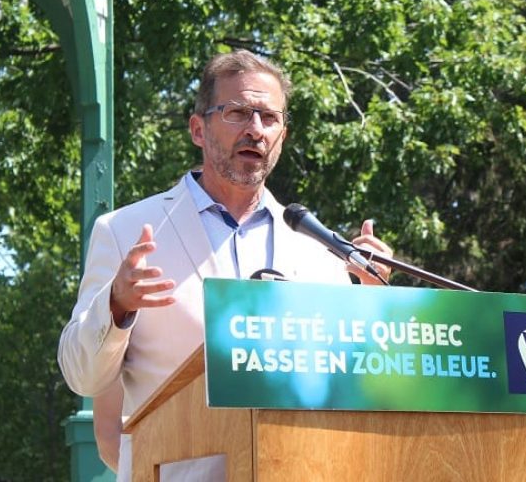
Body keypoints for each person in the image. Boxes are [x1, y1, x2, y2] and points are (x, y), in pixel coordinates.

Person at [58, 49, 391, 480]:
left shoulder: (321, 250)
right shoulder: (126, 231)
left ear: (283, 136)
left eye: (269, 118)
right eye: (237, 112)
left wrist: (377, 305)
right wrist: (117, 304)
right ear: (198, 128)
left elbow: (349, 389)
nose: (255, 129)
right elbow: (81, 374)